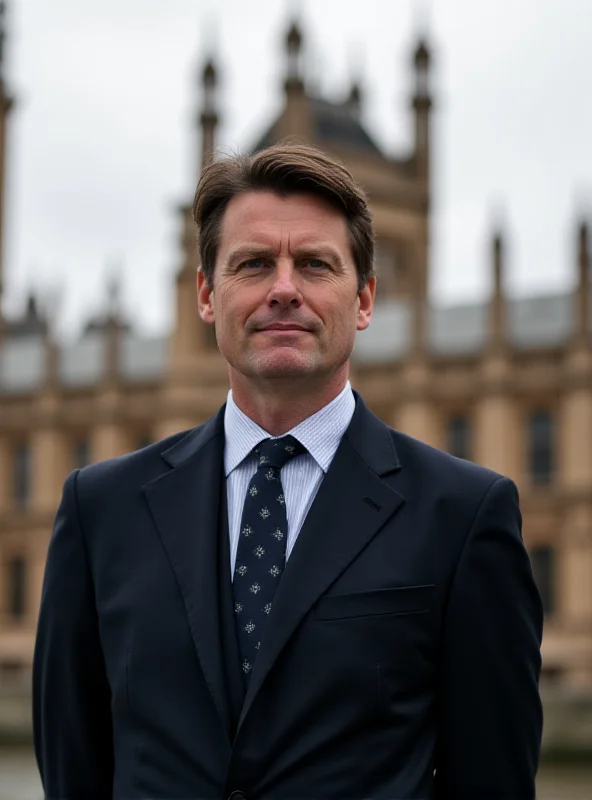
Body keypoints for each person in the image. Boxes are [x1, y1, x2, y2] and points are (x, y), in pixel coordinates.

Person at [33, 143, 543, 799]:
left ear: (364, 301)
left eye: (313, 264)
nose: (283, 289)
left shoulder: (464, 516)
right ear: (205, 295)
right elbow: (73, 769)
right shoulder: (99, 511)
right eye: (252, 264)